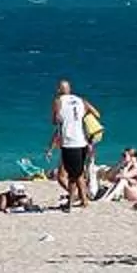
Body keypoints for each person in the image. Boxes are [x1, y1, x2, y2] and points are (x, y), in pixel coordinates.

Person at [50, 78, 95, 210]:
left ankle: (69, 203)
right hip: (83, 142)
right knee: (79, 172)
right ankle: (84, 200)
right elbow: (95, 113)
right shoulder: (81, 100)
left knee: (71, 176)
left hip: (70, 143)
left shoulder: (58, 101)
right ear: (69, 89)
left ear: (59, 90)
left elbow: (55, 120)